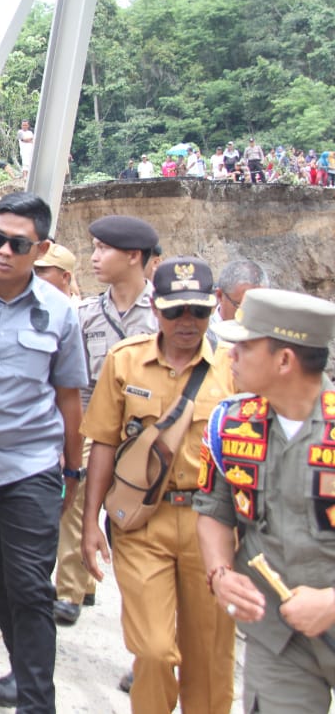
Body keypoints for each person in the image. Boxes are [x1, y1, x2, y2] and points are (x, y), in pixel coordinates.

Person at [0, 192, 88, 712]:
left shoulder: (58, 313)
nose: (2, 251)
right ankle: (22, 663)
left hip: (29, 465)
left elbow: (69, 396)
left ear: (41, 247)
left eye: (17, 243)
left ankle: (36, 700)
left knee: (30, 586)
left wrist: (71, 468)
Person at [80, 257, 236, 714]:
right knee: (152, 650)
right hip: (143, 524)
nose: (187, 322)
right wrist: (91, 524)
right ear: (155, 308)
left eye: (199, 311)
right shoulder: (125, 361)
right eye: (175, 311)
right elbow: (105, 444)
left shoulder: (233, 370)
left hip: (213, 525)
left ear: (215, 309)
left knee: (209, 660)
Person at [196, 288, 335, 712]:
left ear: (284, 360)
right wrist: (220, 573)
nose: (230, 354)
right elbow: (214, 511)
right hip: (279, 635)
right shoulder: (231, 423)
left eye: (245, 345)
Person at [54, 216, 159, 628]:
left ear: (133, 257)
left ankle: (141, 612)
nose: (94, 258)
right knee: (75, 502)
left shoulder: (163, 314)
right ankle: (71, 589)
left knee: (135, 517)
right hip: (93, 423)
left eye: (103, 250)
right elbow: (74, 381)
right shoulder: (87, 314)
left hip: (146, 431)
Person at [211, 258, 268, 326]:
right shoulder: (201, 333)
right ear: (220, 295)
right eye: (244, 307)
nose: (253, 315)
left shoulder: (269, 333)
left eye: (259, 307)